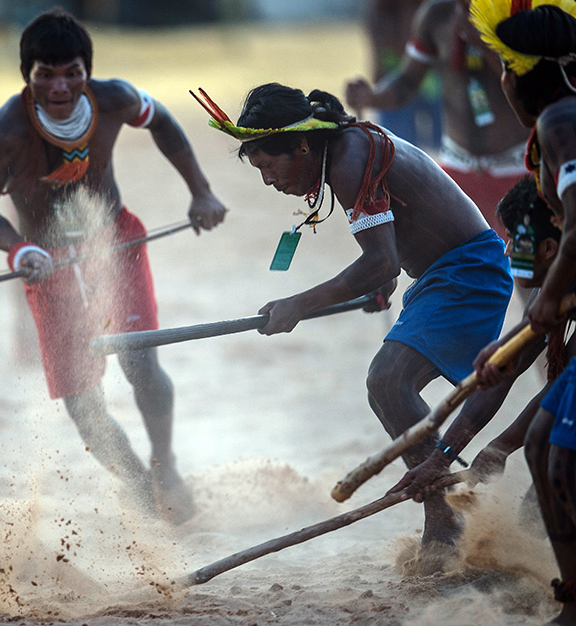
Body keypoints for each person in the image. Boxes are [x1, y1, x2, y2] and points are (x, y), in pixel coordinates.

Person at [192, 82, 513, 551]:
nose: (268, 180)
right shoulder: (344, 149)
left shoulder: (346, 158)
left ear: (301, 145)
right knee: (385, 389)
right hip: (443, 274)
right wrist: (383, 275)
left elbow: (380, 262)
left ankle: (446, 519)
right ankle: (447, 509)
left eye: (267, 165)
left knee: (387, 382)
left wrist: (299, 304)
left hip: (469, 271)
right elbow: (389, 251)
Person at [0, 8, 227, 525]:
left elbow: (166, 123)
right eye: (47, 74)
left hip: (117, 244)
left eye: (72, 73)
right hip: (47, 265)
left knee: (142, 366)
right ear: (27, 76)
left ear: (88, 72)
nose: (60, 87)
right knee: (83, 405)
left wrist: (202, 191)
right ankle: (136, 482)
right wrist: (18, 250)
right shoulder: (3, 133)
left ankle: (165, 465)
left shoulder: (115, 99)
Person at [462, 0, 576, 620]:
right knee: (539, 446)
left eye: (501, 69)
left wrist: (548, 301)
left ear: (519, 72)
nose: (500, 83)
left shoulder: (562, 122)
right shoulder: (556, 127)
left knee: (554, 453)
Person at [390, 178, 566, 508]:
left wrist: (501, 446)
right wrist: (441, 459)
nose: (508, 250)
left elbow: (563, 389)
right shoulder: (546, 296)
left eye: (517, 239)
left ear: (549, 249)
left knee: (548, 446)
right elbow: (502, 373)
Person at [346, 0, 530, 235]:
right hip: (456, 170)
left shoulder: (518, 11)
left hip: (516, 170)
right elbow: (407, 81)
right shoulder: (436, 14)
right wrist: (371, 96)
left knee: (521, 265)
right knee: (461, 263)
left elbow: (528, 86)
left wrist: (484, 43)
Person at [363, 0, 443, 152]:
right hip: (396, 74)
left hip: (430, 74)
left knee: (443, 148)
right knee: (397, 148)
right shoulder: (381, 11)